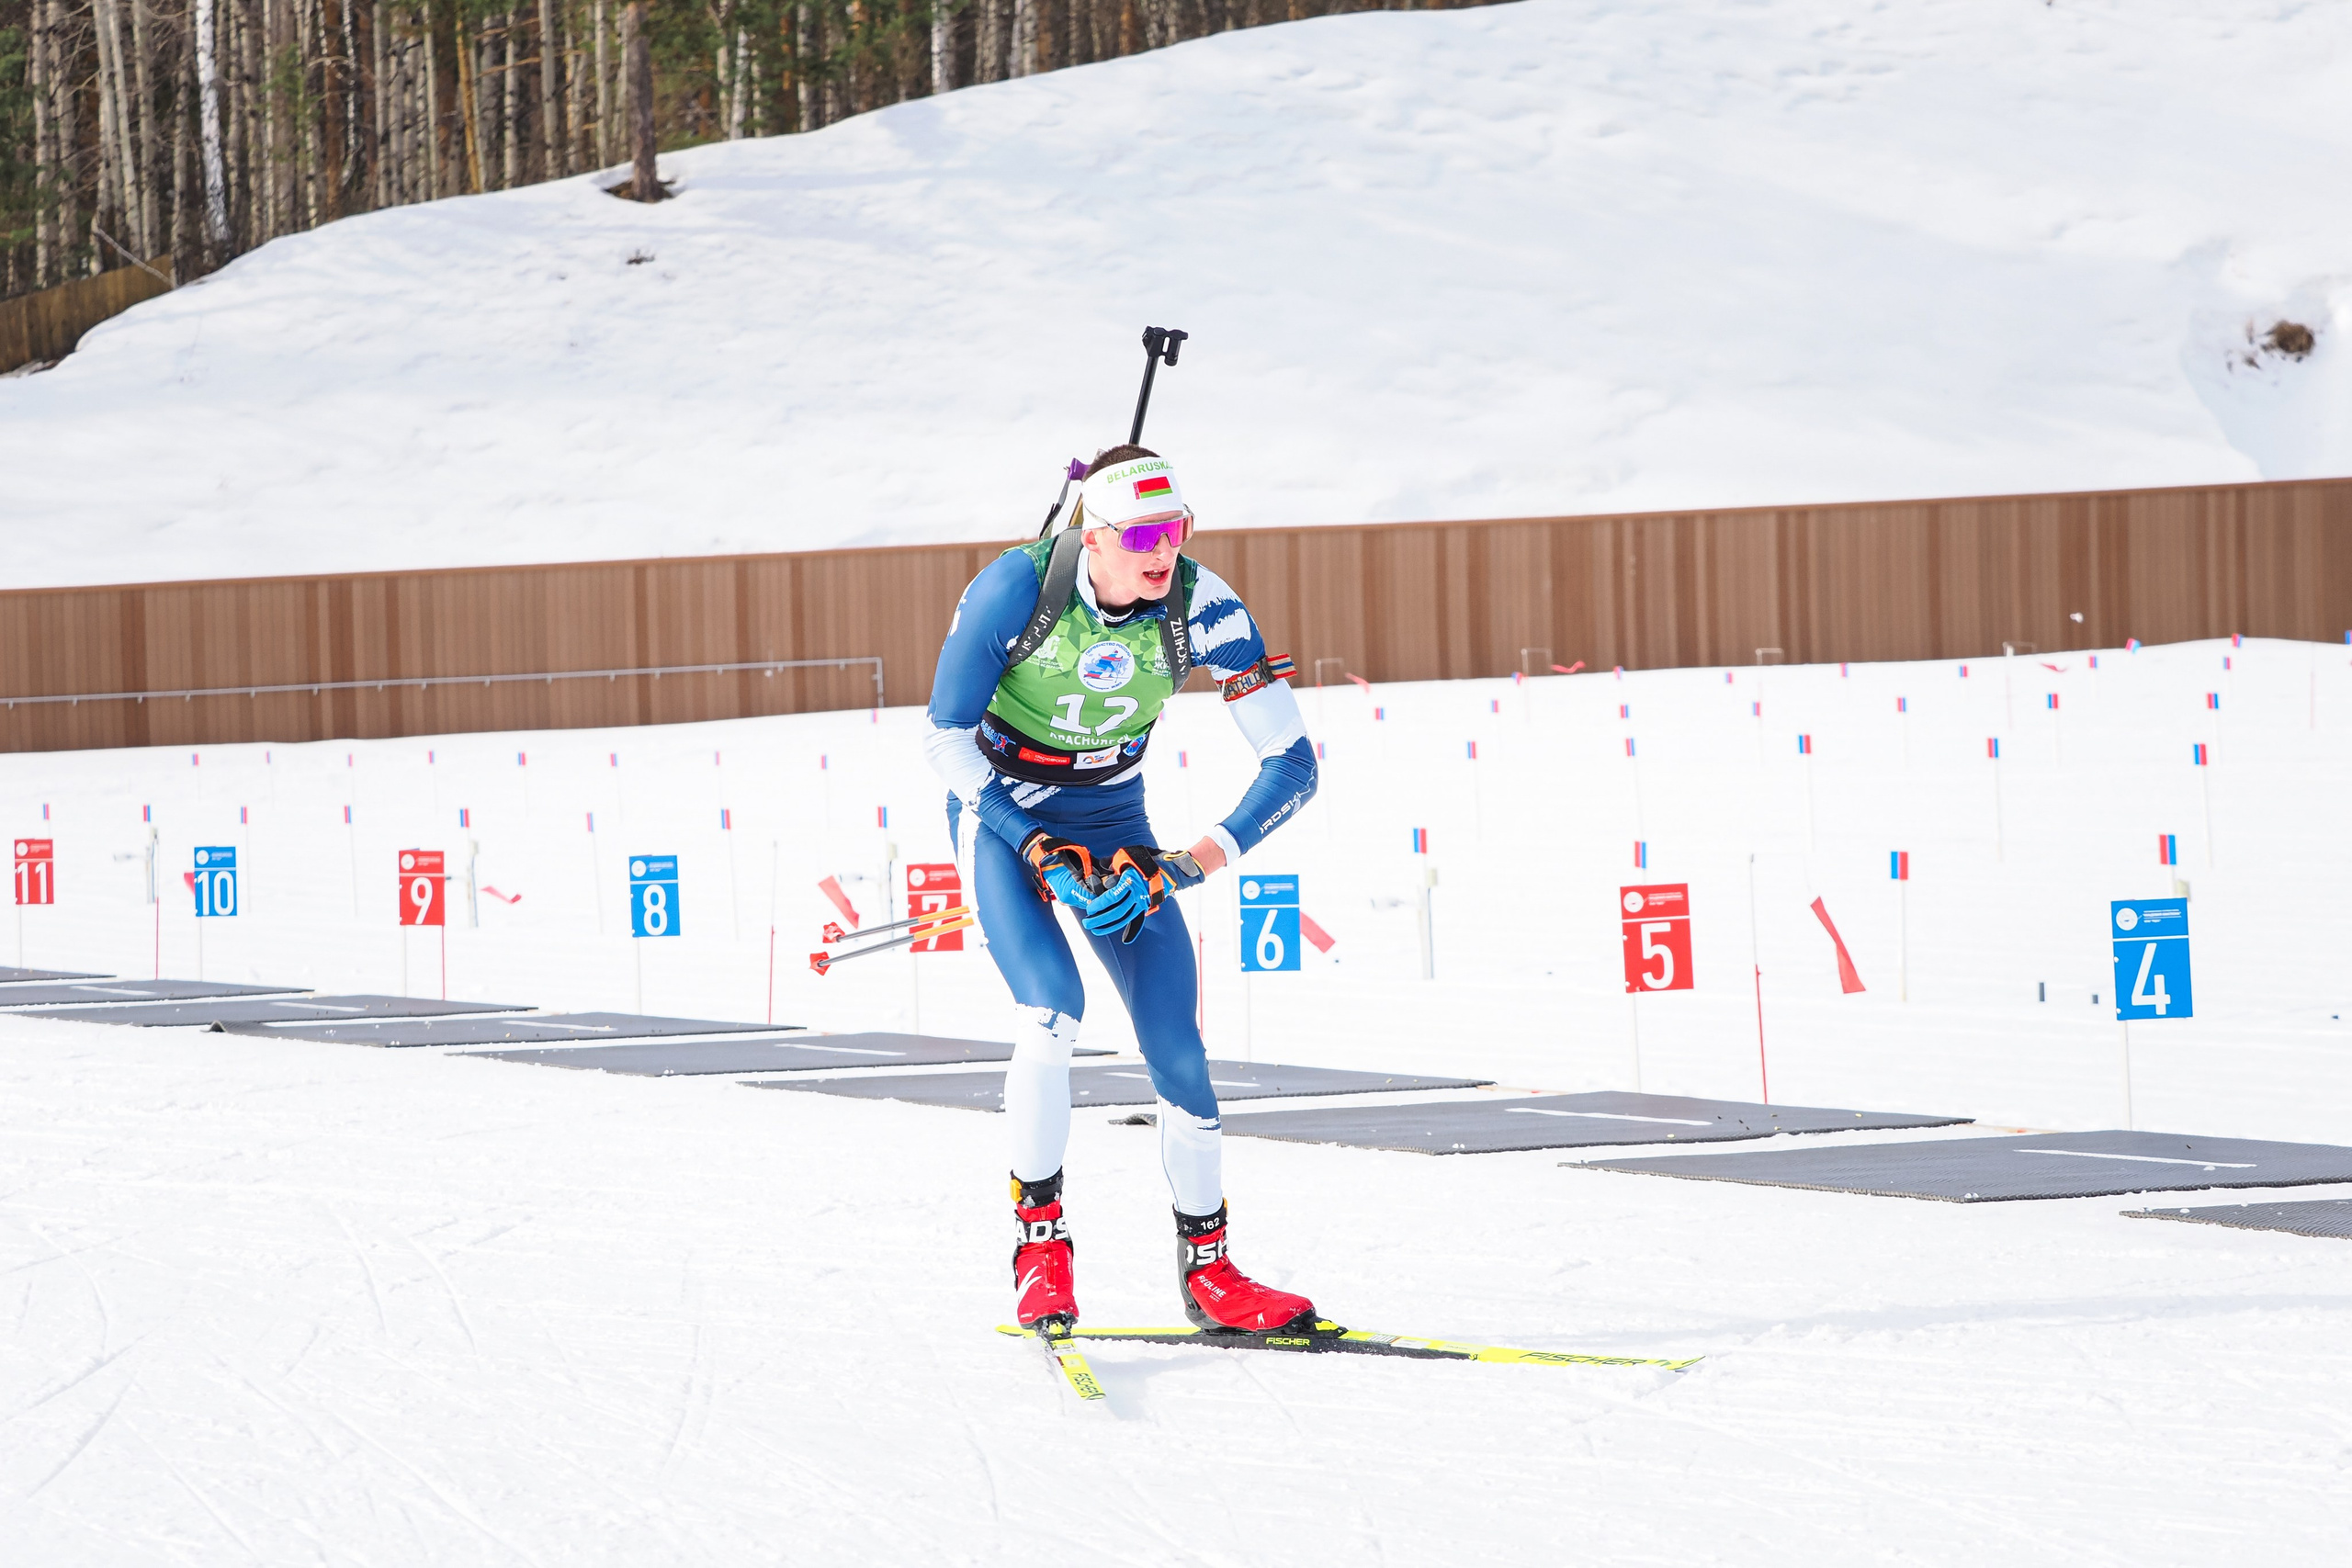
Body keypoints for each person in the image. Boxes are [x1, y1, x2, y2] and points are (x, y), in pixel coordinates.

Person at [924, 446, 1320, 1336]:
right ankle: (1040, 1253)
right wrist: (1030, 843)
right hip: (1004, 810)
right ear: (1089, 536)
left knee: (1177, 1043)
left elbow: (1293, 764)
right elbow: (943, 736)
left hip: (1115, 818)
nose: (1162, 551)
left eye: (1176, 529)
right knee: (1051, 1012)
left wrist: (1181, 865)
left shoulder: (1203, 606)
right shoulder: (1014, 591)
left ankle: (1212, 1273)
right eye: (1140, 533)